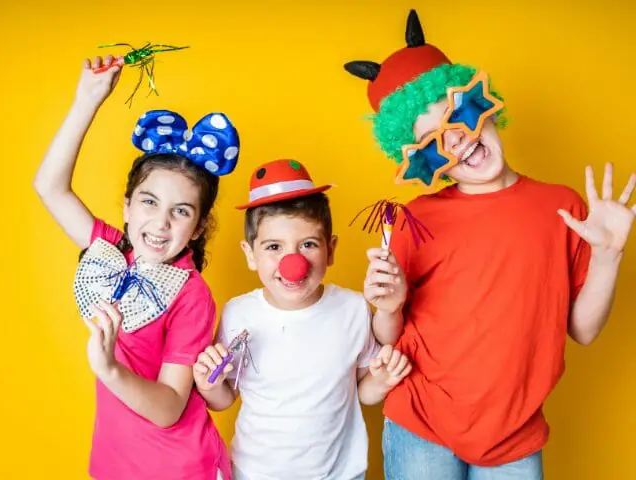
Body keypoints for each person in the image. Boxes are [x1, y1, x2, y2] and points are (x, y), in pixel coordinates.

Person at [344, 9, 636, 480]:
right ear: (421, 161)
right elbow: (388, 338)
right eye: (435, 143)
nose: (456, 142)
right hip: (421, 421)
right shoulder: (414, 219)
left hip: (514, 430)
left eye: (456, 118)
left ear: (484, 104)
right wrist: (390, 305)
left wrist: (608, 256)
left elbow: (581, 330)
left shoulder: (561, 206)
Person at [33, 56, 240, 480]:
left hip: (178, 467)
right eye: (149, 202)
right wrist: (86, 101)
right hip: (114, 464)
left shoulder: (191, 294)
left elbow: (168, 408)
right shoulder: (111, 251)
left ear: (199, 226)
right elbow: (49, 187)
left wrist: (109, 367)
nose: (161, 223)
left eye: (180, 211)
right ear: (127, 206)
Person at [192, 159, 412, 480]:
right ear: (250, 254)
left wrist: (382, 380)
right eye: (273, 247)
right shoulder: (239, 313)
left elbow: (362, 390)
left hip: (338, 474)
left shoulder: (352, 309)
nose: (292, 262)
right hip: (254, 473)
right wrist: (206, 381)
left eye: (308, 244)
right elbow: (225, 398)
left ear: (331, 249)